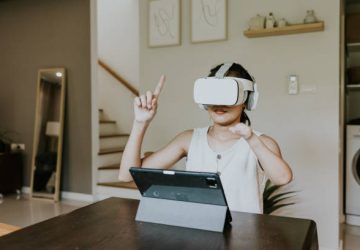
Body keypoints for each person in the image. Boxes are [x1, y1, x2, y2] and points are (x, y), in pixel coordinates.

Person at [119, 63, 292, 213]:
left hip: (244, 238)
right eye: (213, 94)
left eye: (227, 94)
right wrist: (140, 123)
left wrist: (252, 139)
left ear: (248, 99)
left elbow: (282, 178)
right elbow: (127, 176)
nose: (219, 103)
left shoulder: (262, 142)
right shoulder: (188, 139)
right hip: (199, 235)